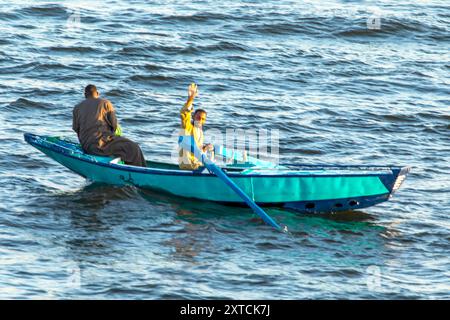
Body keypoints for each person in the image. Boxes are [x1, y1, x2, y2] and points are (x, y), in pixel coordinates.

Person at [72, 84, 146, 167]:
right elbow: (114, 126)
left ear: (85, 95)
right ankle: (139, 172)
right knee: (133, 148)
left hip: (86, 146)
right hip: (101, 145)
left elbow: (76, 129)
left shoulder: (77, 108)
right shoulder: (105, 103)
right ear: (97, 93)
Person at [178, 83, 213, 170]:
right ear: (193, 117)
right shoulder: (187, 127)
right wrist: (190, 99)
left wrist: (205, 148)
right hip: (188, 165)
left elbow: (197, 151)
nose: (200, 120)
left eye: (203, 119)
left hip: (197, 164)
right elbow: (185, 113)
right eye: (198, 117)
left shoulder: (200, 132)